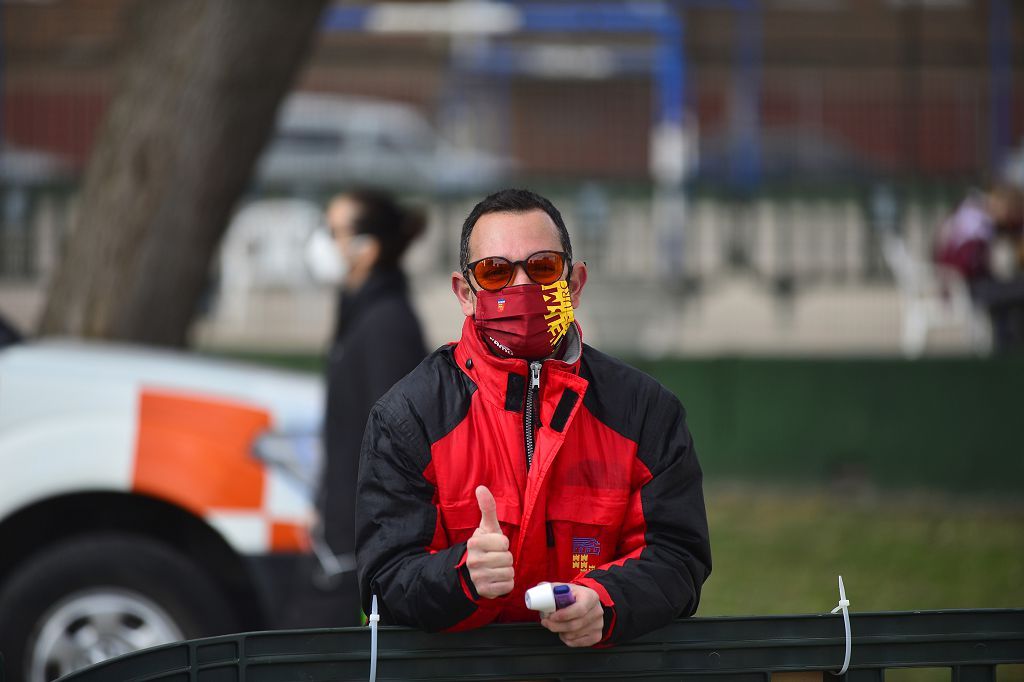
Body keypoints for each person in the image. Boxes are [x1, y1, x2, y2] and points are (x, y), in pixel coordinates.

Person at [356, 188, 711, 647]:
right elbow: (383, 580)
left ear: (575, 285)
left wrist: (604, 602)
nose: (522, 288)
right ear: (465, 294)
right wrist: (462, 576)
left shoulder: (645, 411)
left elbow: (680, 557)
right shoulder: (408, 418)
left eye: (543, 267)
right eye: (496, 272)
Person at [307, 188, 428, 625]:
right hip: (343, 541)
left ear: (367, 248)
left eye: (332, 230)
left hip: (361, 551)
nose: (320, 241)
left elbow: (393, 445)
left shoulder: (385, 325)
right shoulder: (360, 313)